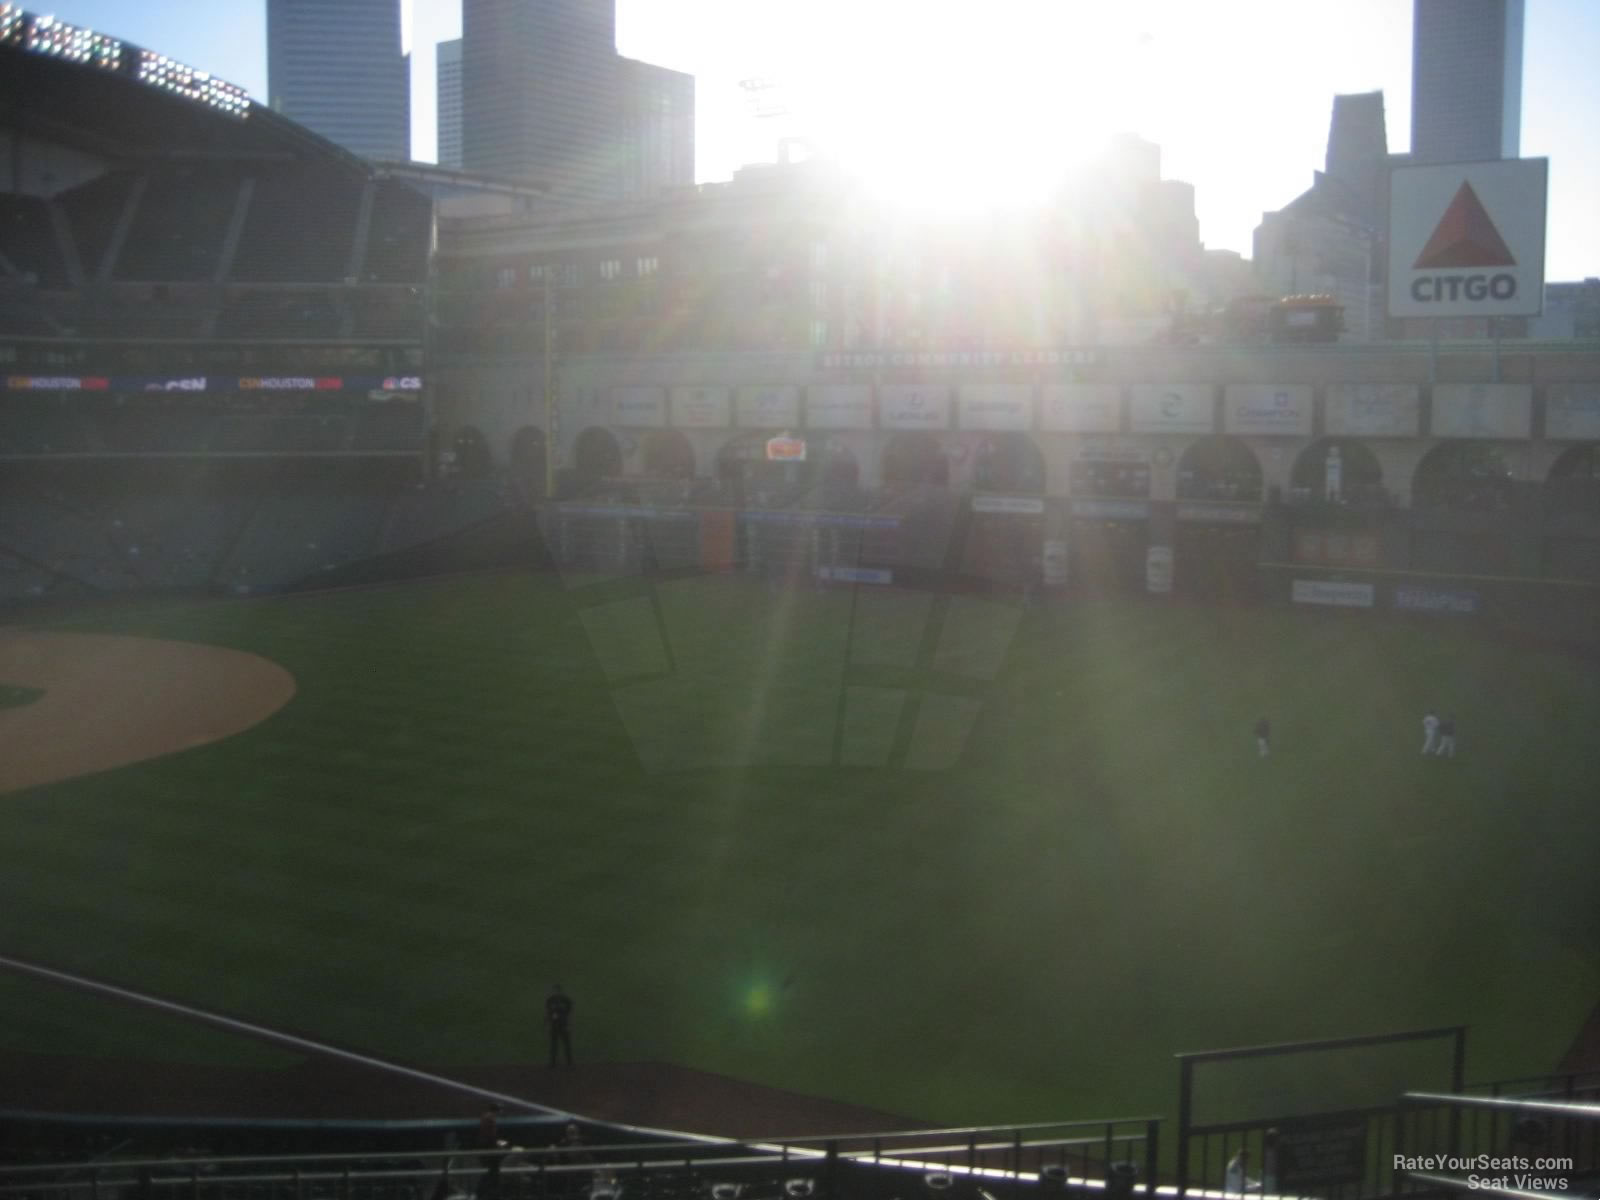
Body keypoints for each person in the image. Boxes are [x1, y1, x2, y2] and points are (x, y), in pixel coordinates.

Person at [546, 984, 574, 1067]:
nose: (556, 992)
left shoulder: (566, 1000)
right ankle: (552, 1063)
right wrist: (548, 1024)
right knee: (554, 1045)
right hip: (554, 1025)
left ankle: (569, 1063)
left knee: (566, 1045)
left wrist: (569, 1025)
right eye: (555, 991)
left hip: (563, 1024)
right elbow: (548, 1013)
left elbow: (569, 1013)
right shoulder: (550, 1000)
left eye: (557, 991)